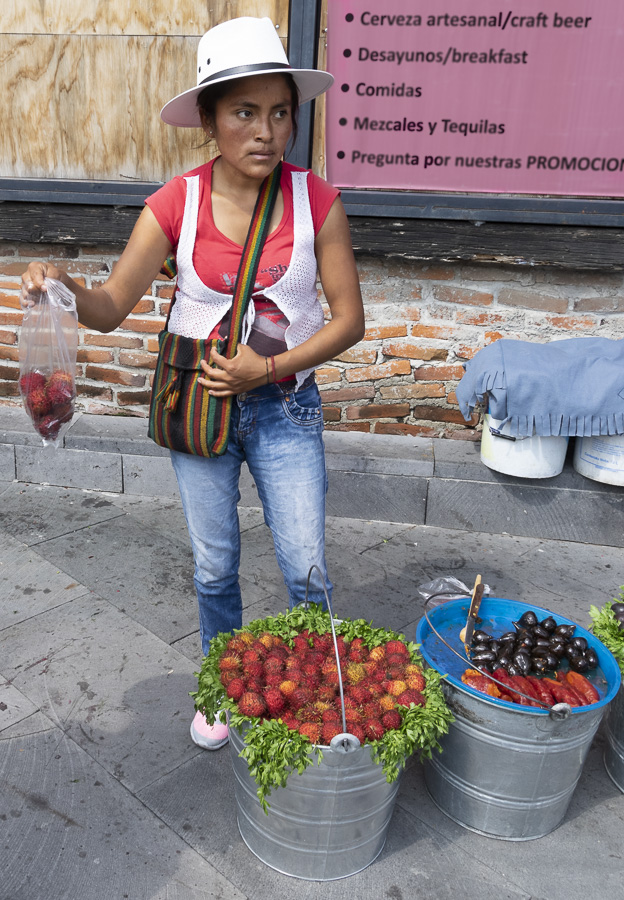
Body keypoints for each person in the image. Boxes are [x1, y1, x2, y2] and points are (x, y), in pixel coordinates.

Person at [20, 16, 365, 751]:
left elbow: (348, 321)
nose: (267, 131)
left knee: (306, 565)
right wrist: (62, 284)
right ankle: (221, 682)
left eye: (280, 112)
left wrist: (267, 368)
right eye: (244, 112)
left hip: (285, 410)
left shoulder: (318, 203)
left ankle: (314, 685)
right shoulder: (175, 204)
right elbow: (110, 309)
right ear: (209, 121)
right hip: (199, 413)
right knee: (215, 566)